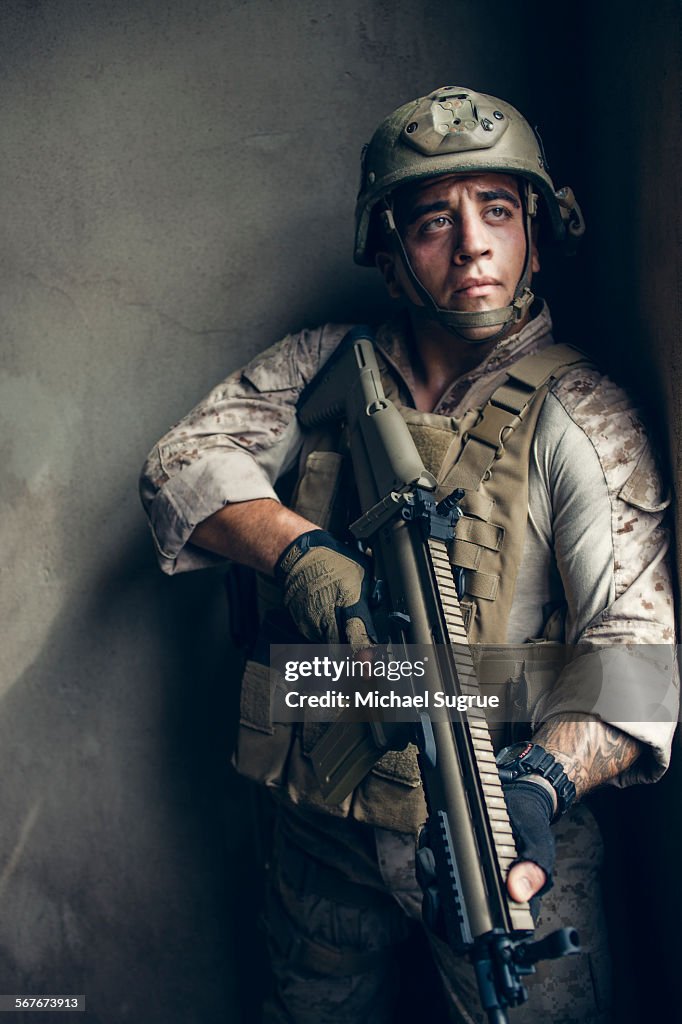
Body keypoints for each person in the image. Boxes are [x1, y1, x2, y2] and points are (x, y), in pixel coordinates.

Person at [140, 85, 677, 1023]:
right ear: (390, 258)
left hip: (498, 829)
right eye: (436, 220)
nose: (473, 244)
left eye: (499, 213)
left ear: (535, 240)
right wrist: (306, 556)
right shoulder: (324, 366)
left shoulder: (585, 417)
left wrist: (543, 784)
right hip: (319, 817)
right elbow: (178, 466)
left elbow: (638, 658)